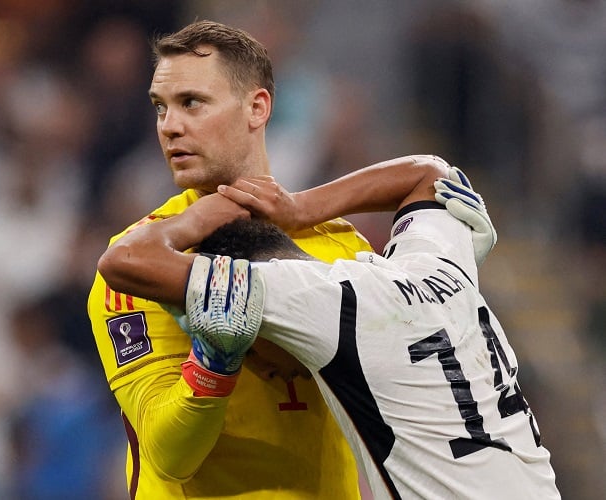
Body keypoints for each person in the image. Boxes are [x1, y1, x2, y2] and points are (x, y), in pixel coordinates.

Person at [88, 20, 487, 498]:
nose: (170, 126)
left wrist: (300, 208)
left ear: (257, 107)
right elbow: (168, 455)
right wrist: (215, 360)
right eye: (161, 107)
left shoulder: (345, 250)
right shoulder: (139, 266)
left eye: (192, 103)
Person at [97, 155, 560, 499]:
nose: (273, 374)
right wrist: (298, 208)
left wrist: (198, 215)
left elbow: (126, 261)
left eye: (258, 349)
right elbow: (430, 175)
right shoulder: (435, 262)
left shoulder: (317, 300)